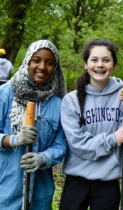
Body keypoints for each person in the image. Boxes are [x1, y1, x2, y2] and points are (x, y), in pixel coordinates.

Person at [59, 38, 123, 210]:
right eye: (94, 60)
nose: (100, 65)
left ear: (113, 65)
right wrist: (114, 138)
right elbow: (77, 144)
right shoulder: (71, 100)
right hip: (77, 179)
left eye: (106, 60)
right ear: (86, 64)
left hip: (108, 180)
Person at [0, 40, 67, 210]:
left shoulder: (58, 104)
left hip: (40, 192)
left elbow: (60, 145)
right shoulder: (6, 93)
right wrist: (13, 139)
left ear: (56, 68)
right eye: (36, 60)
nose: (42, 67)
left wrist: (43, 158)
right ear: (28, 61)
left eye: (49, 62)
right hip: (6, 187)